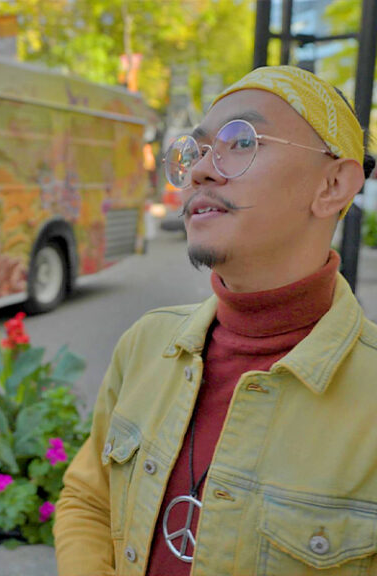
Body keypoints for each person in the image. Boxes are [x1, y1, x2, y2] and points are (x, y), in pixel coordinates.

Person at [54, 65, 377, 576]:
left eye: (241, 142)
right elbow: (89, 501)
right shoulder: (146, 343)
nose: (201, 171)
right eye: (195, 152)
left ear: (334, 184)